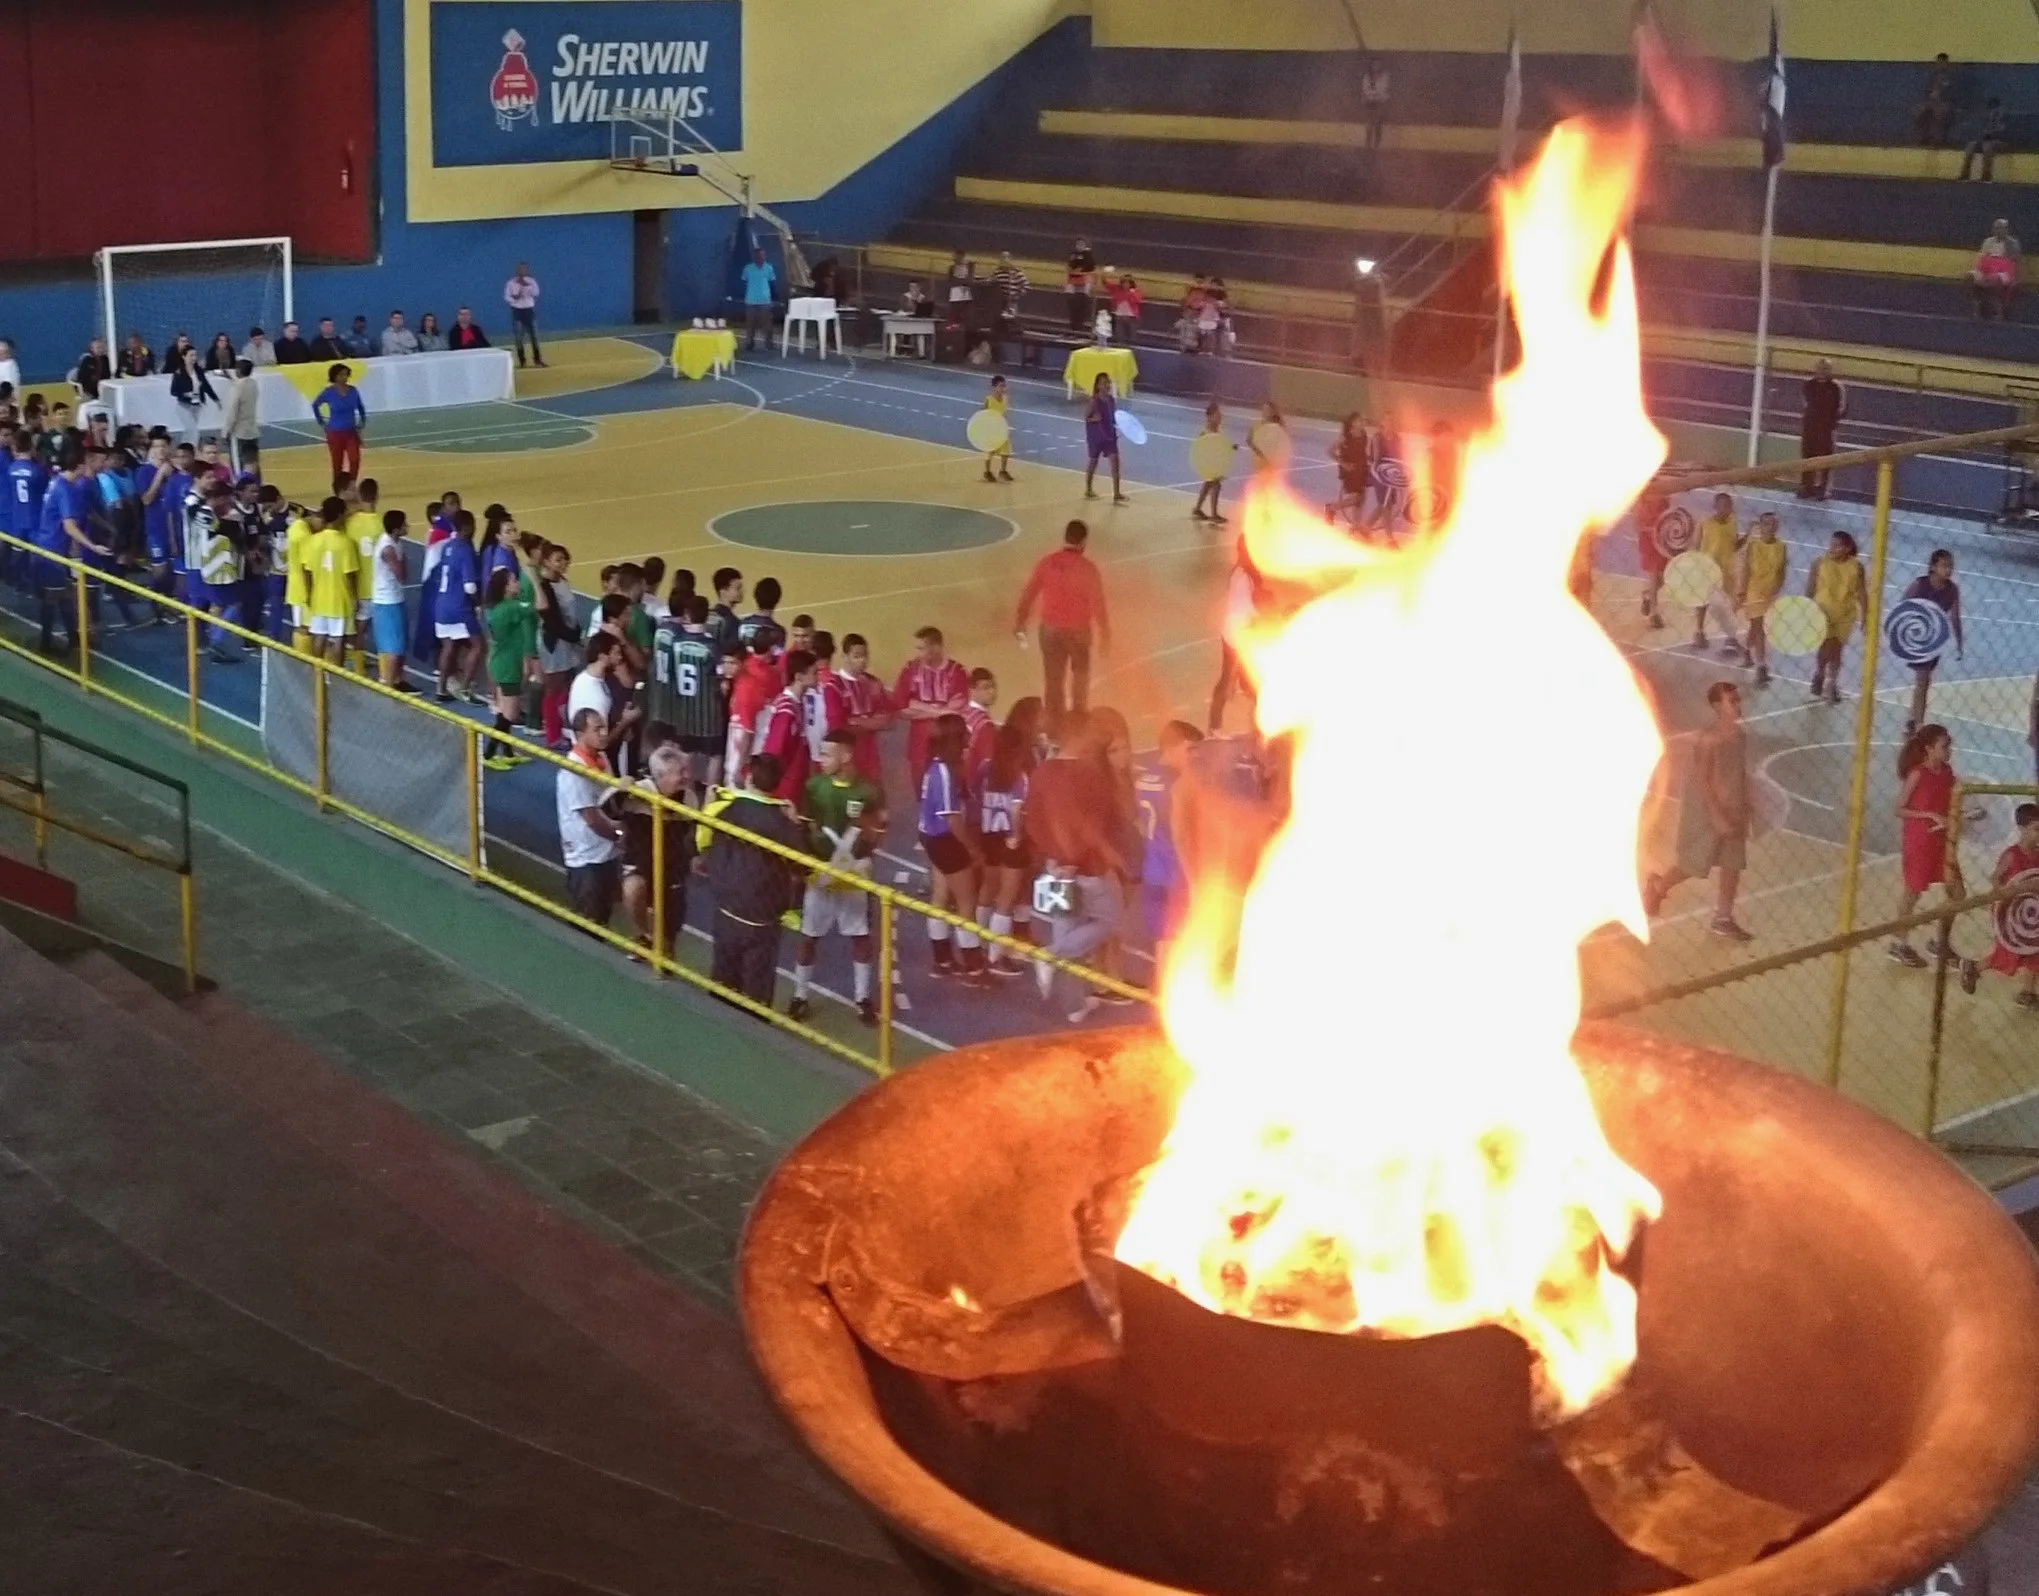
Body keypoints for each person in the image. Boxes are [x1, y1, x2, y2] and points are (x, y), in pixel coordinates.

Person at [1023, 710, 1131, 1022]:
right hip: (1089, 867)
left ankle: (1074, 1007)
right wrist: (1074, 860)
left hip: (1054, 867)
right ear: (1080, 735)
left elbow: (1034, 819)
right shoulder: (1090, 775)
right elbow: (1095, 826)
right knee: (1109, 921)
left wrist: (1053, 858)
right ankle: (1050, 956)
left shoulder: (1042, 772)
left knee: (1067, 927)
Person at [1644, 681, 1753, 942]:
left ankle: (1723, 918)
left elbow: (1738, 772)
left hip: (1734, 806)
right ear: (1717, 706)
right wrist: (1716, 815)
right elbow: (1703, 780)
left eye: (1738, 700)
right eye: (1731, 701)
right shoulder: (1708, 739)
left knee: (1732, 864)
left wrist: (1747, 803)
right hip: (1709, 809)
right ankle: (1658, 886)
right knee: (1693, 863)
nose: (1738, 705)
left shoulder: (1739, 736)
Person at [699, 751, 807, 1009]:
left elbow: (699, 842)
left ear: (748, 777)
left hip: (726, 908)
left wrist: (709, 806)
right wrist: (795, 824)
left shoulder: (723, 808)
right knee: (757, 990)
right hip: (763, 919)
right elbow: (803, 864)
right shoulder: (781, 822)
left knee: (722, 980)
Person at [793, 730, 886, 1024]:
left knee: (860, 935)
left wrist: (865, 854)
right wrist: (806, 867)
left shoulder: (869, 791)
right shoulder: (813, 786)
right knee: (809, 936)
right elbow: (805, 829)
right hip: (821, 873)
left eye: (826, 754)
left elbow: (880, 831)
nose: (820, 759)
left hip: (853, 876)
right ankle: (800, 995)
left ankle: (862, 998)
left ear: (846, 756)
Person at [1887, 725, 1977, 976]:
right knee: (1912, 892)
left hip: (1942, 841)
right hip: (1920, 841)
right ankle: (1898, 943)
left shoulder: (1947, 772)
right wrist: (1927, 815)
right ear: (1929, 749)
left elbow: (1949, 801)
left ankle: (1941, 942)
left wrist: (1960, 814)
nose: (1949, 750)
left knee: (1958, 892)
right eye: (1945, 746)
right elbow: (1898, 808)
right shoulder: (1917, 774)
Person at [1014, 519, 1110, 734]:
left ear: (1066, 538)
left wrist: (1020, 622)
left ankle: (1053, 728)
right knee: (1080, 677)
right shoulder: (1088, 568)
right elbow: (1098, 605)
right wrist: (1106, 634)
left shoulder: (1047, 562)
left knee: (1053, 679)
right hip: (1078, 631)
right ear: (1083, 542)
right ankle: (1077, 724)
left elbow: (1028, 594)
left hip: (1050, 630)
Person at [918, 713, 986, 984]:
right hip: (946, 840)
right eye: (965, 736)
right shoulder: (946, 772)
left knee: (940, 896)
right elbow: (952, 818)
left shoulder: (934, 767)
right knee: (966, 904)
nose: (969, 740)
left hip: (930, 837)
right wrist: (972, 848)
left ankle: (942, 960)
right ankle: (974, 968)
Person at [1963, 803, 2039, 1009]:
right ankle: (1974, 968)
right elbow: (1996, 878)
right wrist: (2004, 895)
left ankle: (2028, 992)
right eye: (2036, 829)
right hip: (2011, 916)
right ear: (2022, 829)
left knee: (2035, 952)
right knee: (2007, 955)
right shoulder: (2012, 855)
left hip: (2033, 915)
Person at [653, 592, 727, 792]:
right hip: (708, 713)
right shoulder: (711, 646)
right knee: (714, 755)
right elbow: (722, 678)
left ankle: (688, 794)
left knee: (686, 754)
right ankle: (710, 803)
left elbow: (672, 675)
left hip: (684, 712)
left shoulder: (676, 642)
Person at [559, 707, 624, 930]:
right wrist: (618, 836)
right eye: (597, 729)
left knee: (602, 916)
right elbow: (591, 818)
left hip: (605, 852)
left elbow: (609, 797)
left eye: (604, 727)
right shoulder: (574, 771)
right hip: (587, 858)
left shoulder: (602, 758)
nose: (604, 733)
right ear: (580, 733)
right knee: (588, 922)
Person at [895, 624, 969, 798]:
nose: (918, 653)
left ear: (936, 647)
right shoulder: (910, 670)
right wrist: (939, 711)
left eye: (922, 648)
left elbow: (957, 710)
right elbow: (900, 709)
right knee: (922, 796)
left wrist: (918, 706)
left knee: (951, 797)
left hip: (950, 748)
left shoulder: (957, 672)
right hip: (919, 748)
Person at [1901, 549, 1965, 733]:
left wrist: (1959, 643)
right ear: (1933, 567)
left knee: (1923, 680)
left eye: (1950, 565)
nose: (1948, 569)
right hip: (1916, 636)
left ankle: (1913, 717)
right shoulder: (1920, 585)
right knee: (1923, 679)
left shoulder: (1952, 590)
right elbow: (1903, 606)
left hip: (1934, 639)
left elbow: (1955, 617)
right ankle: (1918, 723)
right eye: (1944, 565)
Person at [1807, 529, 1867, 705]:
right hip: (1822, 611)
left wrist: (1865, 614)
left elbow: (1862, 592)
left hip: (1845, 614)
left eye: (1837, 546)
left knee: (1837, 648)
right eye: (1831, 544)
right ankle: (1819, 673)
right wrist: (1804, 609)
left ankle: (1831, 682)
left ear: (1847, 549)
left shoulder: (1857, 567)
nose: (1832, 548)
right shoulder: (1819, 563)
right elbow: (1810, 588)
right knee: (1825, 647)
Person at [302, 493, 359, 664]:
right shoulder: (345, 543)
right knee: (338, 638)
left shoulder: (313, 541)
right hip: (339, 599)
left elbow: (307, 571)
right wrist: (354, 597)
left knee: (319, 634)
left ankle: (317, 671)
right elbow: (349, 574)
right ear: (340, 515)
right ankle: (337, 672)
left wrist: (309, 594)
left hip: (319, 597)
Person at [431, 509, 482, 700]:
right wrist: (478, 603)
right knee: (478, 645)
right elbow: (469, 586)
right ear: (468, 528)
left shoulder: (448, 546)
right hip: (459, 607)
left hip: (442, 605)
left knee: (448, 646)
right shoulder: (464, 549)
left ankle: (441, 688)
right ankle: (465, 689)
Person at [534, 542, 581, 745]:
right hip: (554, 641)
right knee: (553, 687)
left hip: (567, 638)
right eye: (557, 560)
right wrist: (574, 636)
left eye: (564, 559)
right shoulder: (545, 587)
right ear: (546, 562)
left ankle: (560, 726)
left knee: (567, 684)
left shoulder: (562, 581)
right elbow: (552, 620)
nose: (562, 563)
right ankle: (552, 735)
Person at [757, 649, 817, 802]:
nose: (818, 677)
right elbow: (774, 750)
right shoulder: (786, 711)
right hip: (783, 785)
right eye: (814, 672)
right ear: (799, 677)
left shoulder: (796, 704)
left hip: (793, 780)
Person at [1736, 512, 1788, 690]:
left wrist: (1777, 588)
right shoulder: (1753, 545)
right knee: (1760, 628)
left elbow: (1782, 570)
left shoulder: (1781, 547)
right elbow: (1746, 569)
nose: (1770, 527)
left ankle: (1746, 649)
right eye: (1766, 524)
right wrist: (1742, 592)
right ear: (1760, 526)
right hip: (1754, 591)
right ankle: (1761, 666)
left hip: (1770, 594)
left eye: (1773, 524)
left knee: (1757, 628)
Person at [1693, 492, 1745, 655]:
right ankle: (1699, 631)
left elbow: (1735, 545)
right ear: (1714, 507)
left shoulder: (1732, 523)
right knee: (1702, 602)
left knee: (1731, 603)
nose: (1726, 509)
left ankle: (1730, 638)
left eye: (1729, 506)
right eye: (1722, 506)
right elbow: (1696, 546)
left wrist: (1748, 534)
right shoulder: (1705, 523)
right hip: (1708, 569)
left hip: (1726, 570)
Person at [836, 633, 891, 785]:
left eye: (865, 656)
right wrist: (871, 722)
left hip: (870, 756)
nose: (863, 661)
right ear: (844, 656)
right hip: (846, 755)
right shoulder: (835, 685)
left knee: (873, 798)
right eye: (857, 656)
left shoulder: (874, 683)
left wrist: (856, 721)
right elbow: (840, 724)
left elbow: (887, 722)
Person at [369, 508, 410, 690]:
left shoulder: (395, 542)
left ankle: (398, 680)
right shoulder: (388, 549)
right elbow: (402, 575)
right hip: (387, 601)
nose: (407, 526)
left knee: (400, 645)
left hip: (394, 598)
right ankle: (391, 685)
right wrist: (404, 562)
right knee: (394, 647)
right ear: (396, 529)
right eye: (404, 525)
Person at [311, 364, 367, 487]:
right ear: (334, 376)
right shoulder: (328, 392)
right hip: (335, 433)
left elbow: (360, 406)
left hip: (351, 432)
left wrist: (362, 421)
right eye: (341, 374)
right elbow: (315, 405)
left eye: (346, 374)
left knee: (355, 459)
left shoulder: (353, 391)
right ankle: (338, 487)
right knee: (337, 462)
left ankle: (351, 484)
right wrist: (321, 421)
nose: (344, 377)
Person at [1797, 360, 1846, 500]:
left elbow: (1842, 408)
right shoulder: (1808, 385)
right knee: (1807, 457)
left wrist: (1830, 422)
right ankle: (1806, 487)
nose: (1822, 371)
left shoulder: (1836, 387)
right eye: (1819, 368)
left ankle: (1823, 489)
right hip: (1809, 428)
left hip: (1827, 430)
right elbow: (1805, 404)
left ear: (1830, 370)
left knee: (1827, 460)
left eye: (1825, 368)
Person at [1083, 373, 1126, 505]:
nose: (1107, 385)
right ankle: (1088, 489)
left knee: (1115, 463)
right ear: (1098, 385)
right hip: (1096, 437)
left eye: (1108, 382)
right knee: (1093, 462)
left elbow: (1112, 417)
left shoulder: (1112, 400)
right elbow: (1086, 417)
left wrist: (1118, 427)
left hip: (1110, 436)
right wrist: (1093, 419)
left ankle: (1117, 493)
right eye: (1104, 382)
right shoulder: (1094, 401)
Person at [1327, 411, 1372, 527]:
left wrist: (1369, 459)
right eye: (1359, 420)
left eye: (1362, 420)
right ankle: (1332, 507)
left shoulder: (1363, 434)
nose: (1362, 422)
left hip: (1361, 469)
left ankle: (1355, 527)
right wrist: (1344, 464)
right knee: (1356, 499)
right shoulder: (1345, 437)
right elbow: (1330, 451)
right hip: (1350, 471)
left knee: (1360, 501)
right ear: (1352, 423)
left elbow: (1361, 452)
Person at [219, 359, 261, 478]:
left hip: (239, 433)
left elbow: (232, 412)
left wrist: (225, 432)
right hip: (252, 431)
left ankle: (240, 489)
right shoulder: (253, 384)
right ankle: (256, 489)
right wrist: (231, 378)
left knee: (238, 466)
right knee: (253, 463)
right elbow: (241, 384)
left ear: (238, 370)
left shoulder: (237, 388)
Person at [168, 347, 217, 445]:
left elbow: (206, 386)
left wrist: (215, 398)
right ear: (184, 357)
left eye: (195, 355)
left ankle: (184, 449)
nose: (194, 358)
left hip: (197, 406)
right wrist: (185, 394)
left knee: (189, 431)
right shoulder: (179, 373)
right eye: (191, 355)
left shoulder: (198, 371)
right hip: (184, 405)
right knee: (193, 431)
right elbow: (173, 391)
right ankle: (193, 451)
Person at [1973, 219, 2021, 320]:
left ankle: (1998, 310)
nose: (1999, 231)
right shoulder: (1988, 241)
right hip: (1987, 267)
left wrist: (2016, 277)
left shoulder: (2012, 243)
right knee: (1971, 277)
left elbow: (2014, 262)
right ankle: (1978, 306)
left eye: (2001, 228)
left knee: (1995, 279)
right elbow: (1982, 258)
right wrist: (1978, 271)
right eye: (1997, 228)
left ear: (2006, 230)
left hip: (2004, 270)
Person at [504, 262, 544, 367]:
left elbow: (536, 293)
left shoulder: (531, 281)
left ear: (527, 271)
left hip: (529, 311)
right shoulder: (511, 283)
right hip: (517, 311)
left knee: (534, 336)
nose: (522, 271)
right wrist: (514, 299)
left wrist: (528, 287)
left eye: (524, 269)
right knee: (518, 338)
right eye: (520, 269)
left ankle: (537, 360)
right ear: (517, 271)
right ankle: (522, 361)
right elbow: (506, 297)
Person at [1960, 97, 2008, 181]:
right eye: (1991, 108)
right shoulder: (1986, 119)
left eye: (1995, 108)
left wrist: (1991, 132)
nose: (1993, 111)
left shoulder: (2003, 118)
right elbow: (1981, 132)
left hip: (1999, 141)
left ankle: (1986, 176)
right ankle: (1965, 175)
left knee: (1987, 147)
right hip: (1985, 140)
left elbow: (2003, 132)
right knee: (1970, 146)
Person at [740, 246, 777, 351]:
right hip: (750, 300)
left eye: (762, 255)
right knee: (750, 324)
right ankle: (749, 343)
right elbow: (744, 282)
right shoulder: (748, 268)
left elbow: (772, 283)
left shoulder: (769, 268)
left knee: (767, 324)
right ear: (754, 257)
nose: (760, 258)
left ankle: (769, 343)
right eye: (758, 256)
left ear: (765, 256)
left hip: (765, 300)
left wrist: (774, 299)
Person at [1915, 53, 1955, 147]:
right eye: (1938, 62)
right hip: (1931, 102)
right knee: (1918, 112)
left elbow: (1948, 90)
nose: (1940, 64)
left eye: (1942, 62)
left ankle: (1939, 140)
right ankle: (1924, 137)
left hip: (1945, 103)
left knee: (1939, 113)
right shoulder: (1932, 75)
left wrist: (1939, 92)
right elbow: (1927, 91)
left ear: (1946, 63)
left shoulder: (1950, 76)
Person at [981, 374, 1014, 483]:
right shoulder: (989, 399)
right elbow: (983, 413)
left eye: (1004, 386)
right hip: (991, 429)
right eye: (1001, 386)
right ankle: (987, 472)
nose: (1003, 388)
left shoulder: (1005, 399)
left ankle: (1003, 471)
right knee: (989, 451)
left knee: (1006, 451)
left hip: (1001, 428)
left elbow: (1004, 413)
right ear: (994, 387)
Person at [1065, 238, 1097, 333]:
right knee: (1072, 305)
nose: (1079, 246)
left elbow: (1090, 267)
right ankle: (1073, 326)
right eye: (1078, 244)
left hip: (1083, 283)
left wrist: (1080, 270)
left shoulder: (1088, 255)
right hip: (1073, 282)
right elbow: (1070, 266)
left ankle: (1080, 325)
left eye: (1081, 244)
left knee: (1082, 305)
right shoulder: (1073, 254)